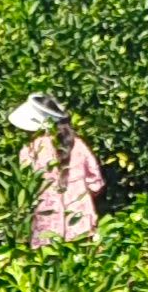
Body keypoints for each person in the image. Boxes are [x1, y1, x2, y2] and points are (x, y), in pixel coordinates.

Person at [6, 92, 103, 248]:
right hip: (79, 221)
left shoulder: (30, 149)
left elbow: (25, 186)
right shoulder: (78, 144)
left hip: (45, 223)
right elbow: (95, 182)